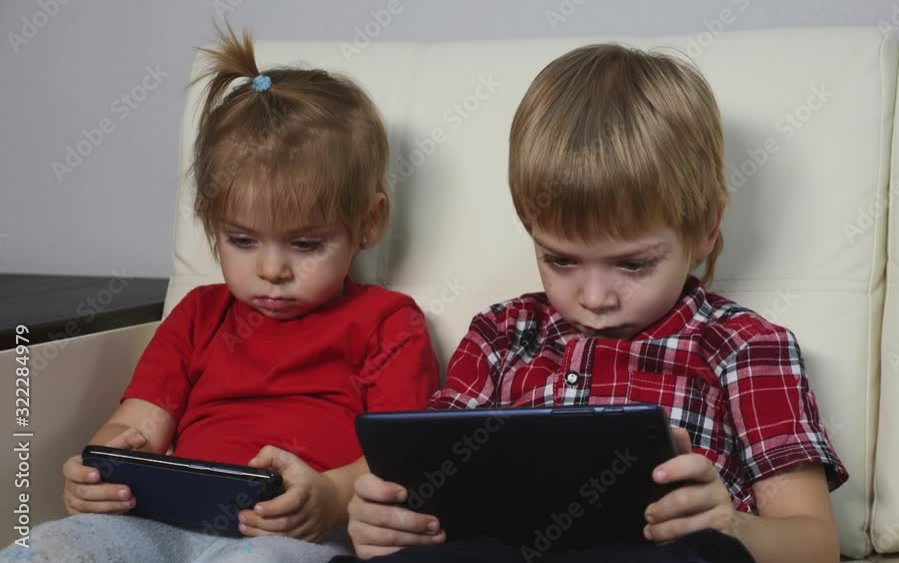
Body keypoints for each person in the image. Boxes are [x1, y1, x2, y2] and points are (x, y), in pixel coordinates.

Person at [343, 43, 848, 563]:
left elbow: (815, 546)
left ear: (705, 230)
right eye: (560, 260)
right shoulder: (500, 334)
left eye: (633, 265)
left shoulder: (746, 347)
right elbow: (423, 481)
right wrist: (385, 518)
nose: (594, 298)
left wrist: (731, 526)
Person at [0, 24, 439, 563]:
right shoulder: (199, 314)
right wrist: (102, 467)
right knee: (44, 548)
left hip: (294, 537)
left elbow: (398, 465)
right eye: (242, 240)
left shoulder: (388, 322)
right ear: (212, 226)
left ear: (368, 222)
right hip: (162, 522)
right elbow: (138, 424)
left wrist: (327, 497)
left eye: (305, 243)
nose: (272, 269)